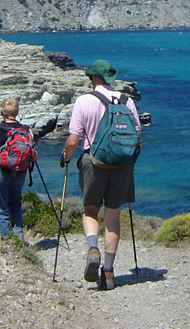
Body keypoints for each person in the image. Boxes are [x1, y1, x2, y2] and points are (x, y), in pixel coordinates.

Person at [61, 59, 141, 290]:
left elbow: (74, 139)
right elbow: (137, 136)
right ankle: (109, 272)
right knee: (113, 217)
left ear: (94, 78)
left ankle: (92, 248)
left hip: (93, 162)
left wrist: (66, 157)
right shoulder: (128, 101)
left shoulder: (84, 101)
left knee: (90, 209)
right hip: (122, 165)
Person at [0, 97, 36, 240]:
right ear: (17, 112)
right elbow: (34, 155)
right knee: (16, 203)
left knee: (0, 205)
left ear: (2, 111)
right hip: (20, 172)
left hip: (0, 170)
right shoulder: (26, 130)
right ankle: (18, 237)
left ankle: (6, 239)